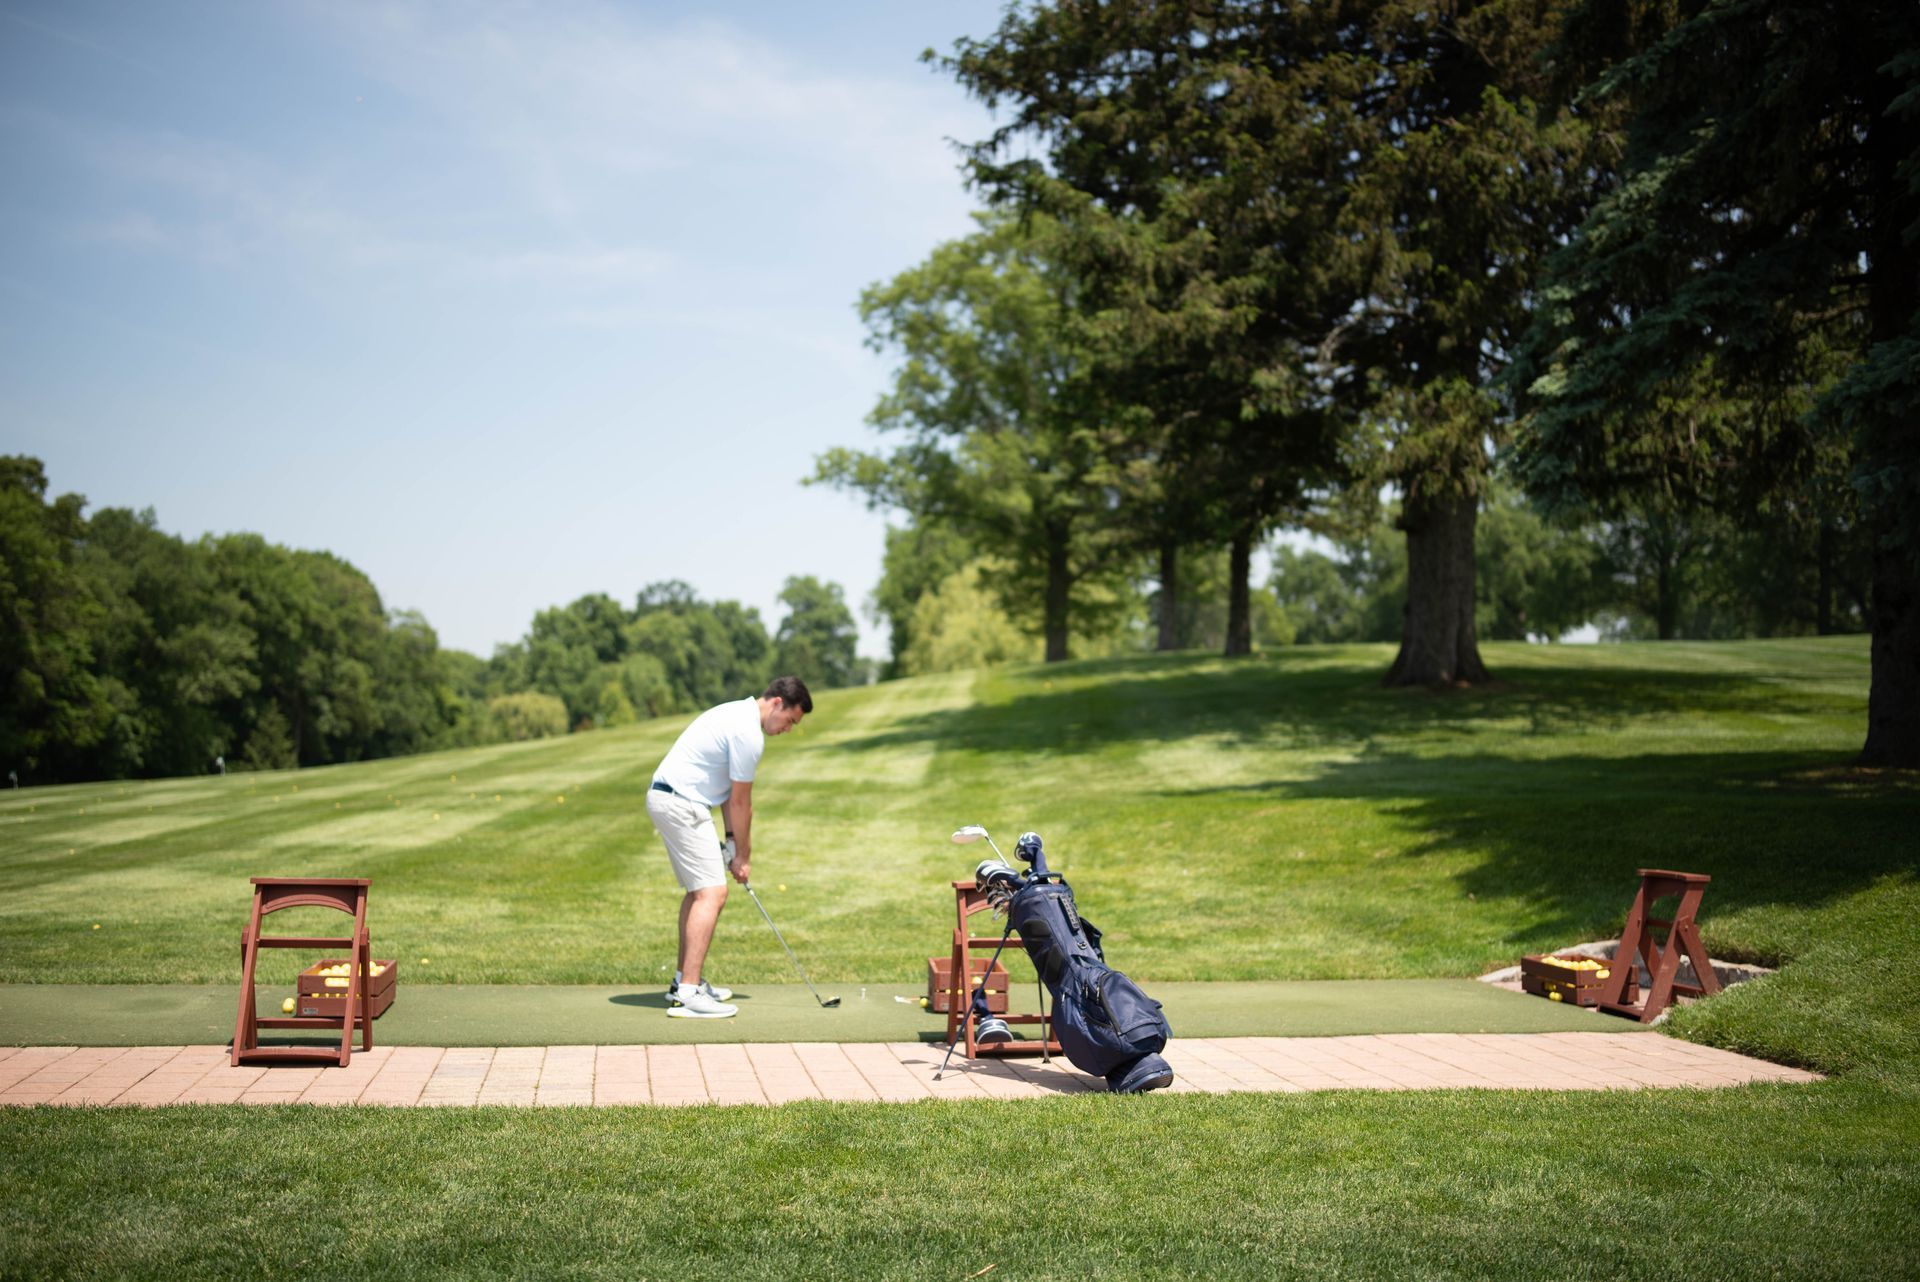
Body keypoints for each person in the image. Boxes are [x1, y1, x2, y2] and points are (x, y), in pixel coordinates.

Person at [646, 676, 811, 1018]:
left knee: (698, 893)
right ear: (777, 702)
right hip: (681, 803)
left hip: (672, 799)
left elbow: (724, 797)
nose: (788, 729)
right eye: (790, 721)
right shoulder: (747, 733)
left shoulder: (737, 715)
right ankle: (689, 994)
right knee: (712, 894)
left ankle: (682, 983)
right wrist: (745, 857)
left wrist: (733, 843)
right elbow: (741, 802)